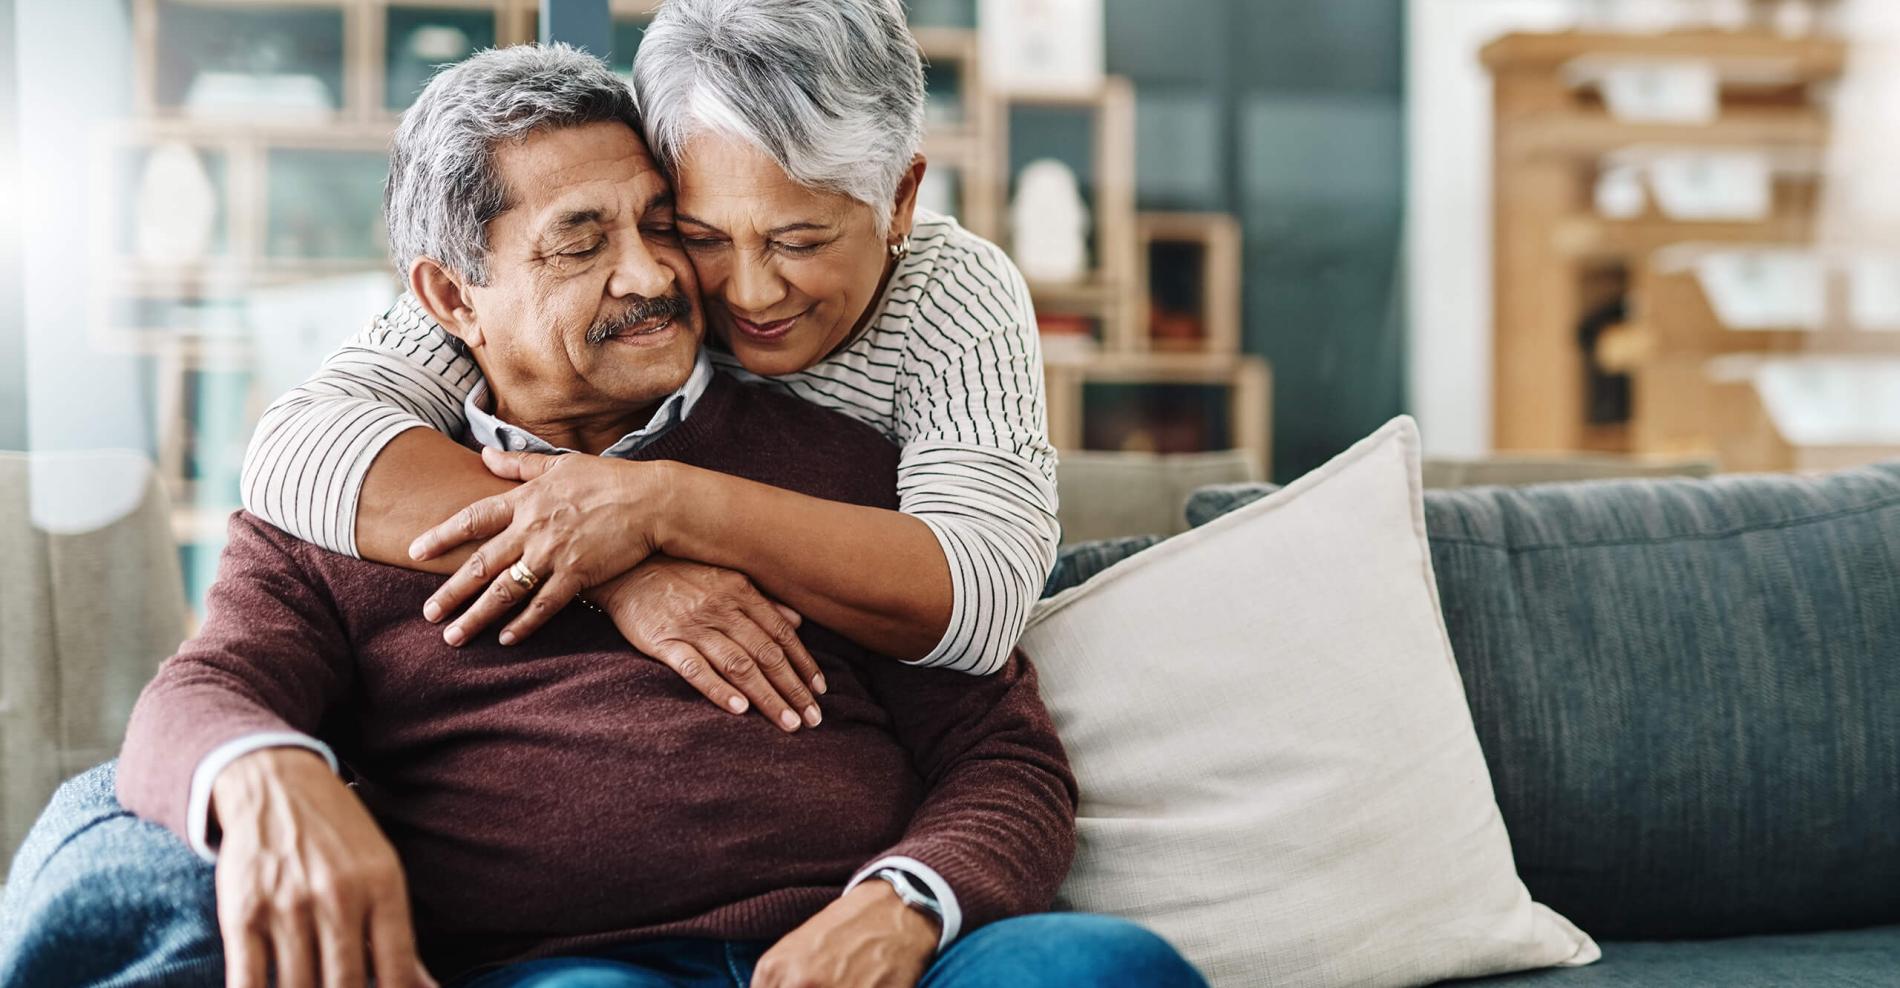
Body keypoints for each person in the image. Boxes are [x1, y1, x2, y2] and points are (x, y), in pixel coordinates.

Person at [0, 44, 1206, 988]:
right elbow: (194, 698)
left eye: (656, 223)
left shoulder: (833, 459)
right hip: (568, 965)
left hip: (890, 954)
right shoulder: (346, 498)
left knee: (1110, 971)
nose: (656, 275)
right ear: (447, 296)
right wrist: (267, 774)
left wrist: (902, 903)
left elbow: (1000, 752)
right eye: (580, 245)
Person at [240, 0, 1058, 729]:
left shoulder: (952, 296)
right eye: (699, 234)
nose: (748, 293)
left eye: (799, 241)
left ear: (901, 200)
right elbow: (297, 447)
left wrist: (660, 506)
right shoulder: (633, 280)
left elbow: (984, 602)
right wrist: (625, 567)